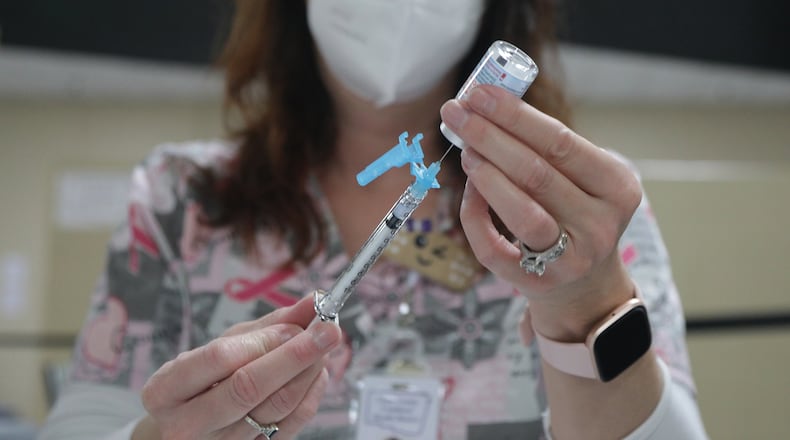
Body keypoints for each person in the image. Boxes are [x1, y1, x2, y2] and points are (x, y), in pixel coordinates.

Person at [39, 0, 708, 439]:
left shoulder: (579, 210)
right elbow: (82, 422)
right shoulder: (182, 197)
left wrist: (586, 303)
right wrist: (164, 433)